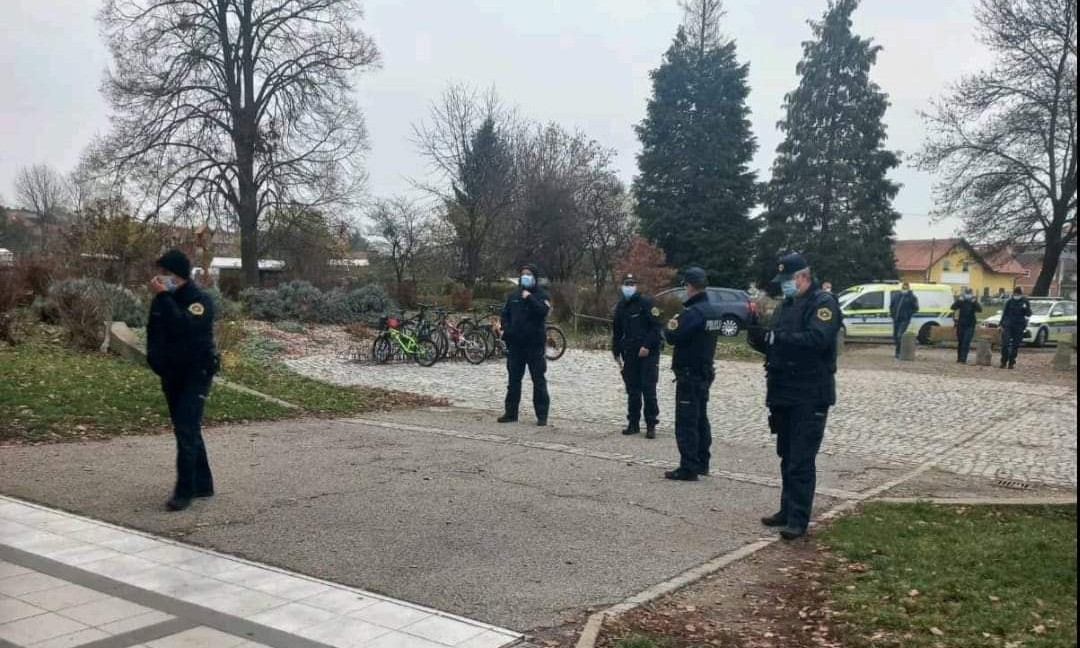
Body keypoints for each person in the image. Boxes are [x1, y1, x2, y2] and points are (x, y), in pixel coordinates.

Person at [748, 253, 841, 541]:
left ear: (802, 277)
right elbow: (778, 343)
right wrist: (760, 337)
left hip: (810, 393)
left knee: (801, 458)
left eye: (787, 281)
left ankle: (799, 518)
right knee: (786, 455)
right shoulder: (786, 306)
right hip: (783, 392)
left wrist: (779, 340)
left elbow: (817, 340)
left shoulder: (822, 304)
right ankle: (786, 509)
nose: (784, 286)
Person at [146, 250, 219, 512]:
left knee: (187, 427)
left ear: (179, 275)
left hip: (195, 373)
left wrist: (164, 297)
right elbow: (154, 332)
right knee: (184, 427)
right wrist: (155, 361)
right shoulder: (162, 300)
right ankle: (203, 482)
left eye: (167, 274)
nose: (161, 278)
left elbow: (183, 327)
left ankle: (184, 491)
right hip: (171, 373)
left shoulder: (199, 301)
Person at [661, 267, 722, 481]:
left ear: (689, 286)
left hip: (689, 373)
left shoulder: (694, 313)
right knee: (700, 419)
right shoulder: (713, 312)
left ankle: (688, 466)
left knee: (687, 420)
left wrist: (668, 327)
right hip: (704, 371)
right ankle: (702, 461)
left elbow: (672, 335)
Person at [498, 263, 551, 426]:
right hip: (516, 345)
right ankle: (511, 413)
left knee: (538, 380)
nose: (525, 276)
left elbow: (543, 311)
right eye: (523, 274)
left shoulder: (542, 295)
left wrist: (529, 297)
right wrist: (507, 330)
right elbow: (505, 315)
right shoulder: (513, 295)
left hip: (534, 344)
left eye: (529, 274)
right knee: (514, 380)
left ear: (535, 278)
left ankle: (542, 415)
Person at [612, 274, 664, 438]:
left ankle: (651, 425)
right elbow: (617, 331)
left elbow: (656, 328)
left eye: (631, 284)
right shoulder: (621, 307)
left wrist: (647, 345)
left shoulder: (646, 303)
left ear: (636, 286)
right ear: (622, 286)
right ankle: (633, 423)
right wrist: (616, 350)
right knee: (633, 390)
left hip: (648, 353)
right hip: (630, 353)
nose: (629, 286)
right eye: (626, 284)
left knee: (648, 390)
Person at [999, 286, 1032, 369]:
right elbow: (1004, 313)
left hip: (1019, 325)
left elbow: (1029, 314)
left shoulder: (1025, 301)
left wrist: (1025, 308)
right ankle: (1003, 361)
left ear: (1021, 294)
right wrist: (1001, 324)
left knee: (1015, 345)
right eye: (1016, 293)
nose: (1017, 295)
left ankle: (1011, 362)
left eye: (1018, 294)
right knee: (1005, 344)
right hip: (1008, 324)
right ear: (1014, 293)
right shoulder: (1009, 301)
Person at [950, 288, 982, 364]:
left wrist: (975, 302)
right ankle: (959, 358)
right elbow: (953, 307)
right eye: (967, 294)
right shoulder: (962, 301)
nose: (968, 296)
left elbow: (980, 310)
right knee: (961, 341)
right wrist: (959, 300)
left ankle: (963, 358)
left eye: (969, 294)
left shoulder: (973, 302)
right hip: (961, 324)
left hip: (970, 324)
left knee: (966, 341)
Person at [889, 282, 919, 359]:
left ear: (908, 288)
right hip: (896, 318)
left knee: (900, 335)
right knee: (895, 336)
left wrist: (908, 314)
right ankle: (898, 350)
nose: (904, 289)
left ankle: (899, 352)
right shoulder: (896, 296)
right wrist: (892, 314)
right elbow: (891, 306)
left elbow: (915, 308)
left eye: (906, 288)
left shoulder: (912, 297)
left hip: (904, 320)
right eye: (903, 287)